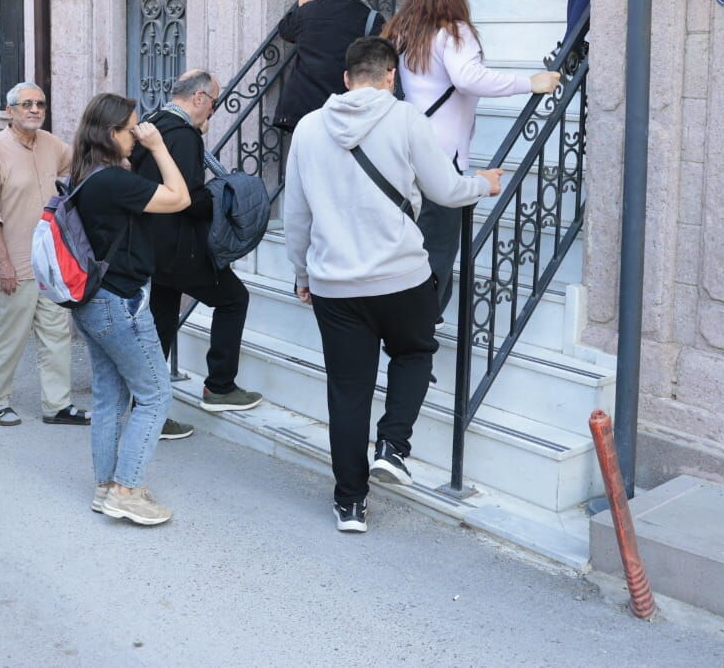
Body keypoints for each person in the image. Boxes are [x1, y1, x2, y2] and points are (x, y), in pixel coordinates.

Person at [284, 37, 501, 534]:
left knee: (347, 391)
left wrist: (302, 274)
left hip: (336, 284)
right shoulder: (405, 118)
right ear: (390, 77)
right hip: (402, 276)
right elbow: (445, 190)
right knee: (415, 352)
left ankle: (350, 504)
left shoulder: (309, 128)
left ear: (345, 78)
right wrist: (483, 184)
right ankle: (393, 446)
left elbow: (296, 214)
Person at [382, 0, 560, 311]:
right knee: (439, 244)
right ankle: (424, 319)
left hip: (406, 145)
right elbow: (467, 79)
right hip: (442, 154)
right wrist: (528, 83)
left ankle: (402, 313)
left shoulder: (401, 31)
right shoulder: (454, 32)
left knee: (412, 239)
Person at [67, 93, 190, 526]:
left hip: (91, 303)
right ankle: (126, 490)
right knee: (156, 396)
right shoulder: (112, 183)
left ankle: (106, 487)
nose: (136, 136)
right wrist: (159, 146)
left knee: (109, 397)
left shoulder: (86, 175)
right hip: (120, 303)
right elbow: (180, 198)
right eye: (130, 129)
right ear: (110, 133)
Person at [131, 70, 262, 432]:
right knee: (234, 299)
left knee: (161, 322)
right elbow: (188, 198)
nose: (213, 111)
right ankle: (219, 386)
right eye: (215, 103)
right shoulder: (184, 136)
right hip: (180, 245)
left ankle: (147, 404)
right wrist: (221, 196)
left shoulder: (153, 122)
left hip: (152, 245)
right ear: (200, 98)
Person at [0, 83, 88, 428]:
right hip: (14, 264)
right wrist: (3, 263)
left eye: (40, 104)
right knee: (8, 336)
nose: (35, 109)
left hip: (50, 263)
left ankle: (57, 405)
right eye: (27, 104)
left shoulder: (52, 145)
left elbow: (80, 167)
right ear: (10, 112)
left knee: (57, 335)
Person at [274, 0, 386, 132]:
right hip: (343, 107)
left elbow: (285, 31)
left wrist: (302, 8)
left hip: (303, 106)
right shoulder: (371, 18)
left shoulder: (310, 9)